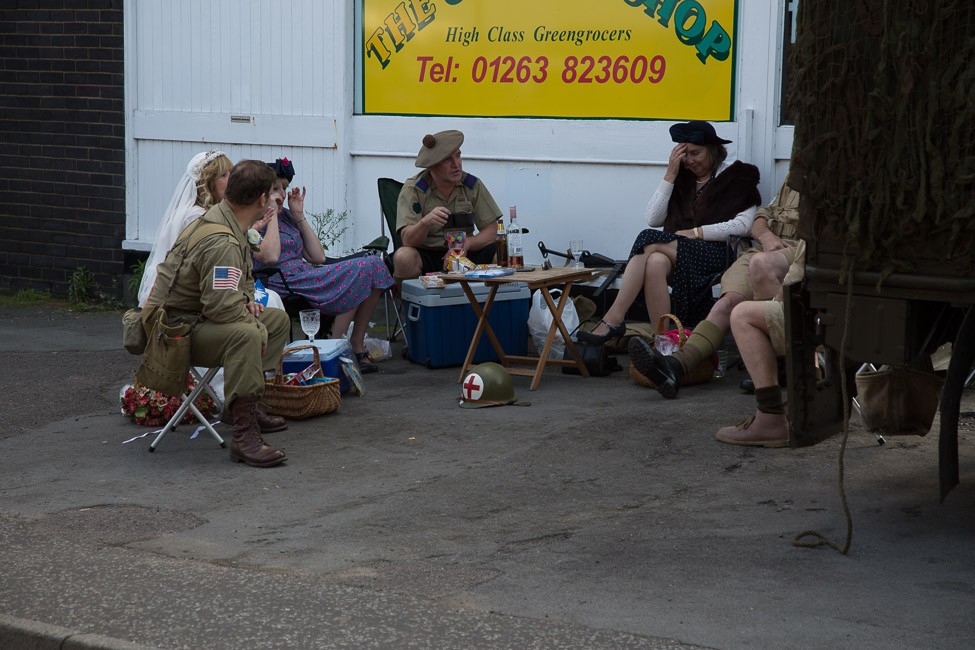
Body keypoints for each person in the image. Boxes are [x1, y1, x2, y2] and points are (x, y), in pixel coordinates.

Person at [144, 160, 290, 468]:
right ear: (262, 199)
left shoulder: (229, 221)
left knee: (276, 321)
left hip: (200, 319)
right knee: (248, 334)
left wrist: (248, 301)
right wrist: (254, 325)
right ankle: (244, 438)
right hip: (177, 333)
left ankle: (241, 407)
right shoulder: (222, 240)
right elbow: (221, 308)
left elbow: (242, 279)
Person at [577, 121, 762, 347]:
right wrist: (670, 174)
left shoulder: (736, 177)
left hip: (719, 255)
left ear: (713, 150)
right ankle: (663, 341)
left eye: (696, 153)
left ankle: (613, 318)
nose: (690, 160)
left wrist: (697, 233)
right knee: (655, 261)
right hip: (682, 253)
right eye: (685, 154)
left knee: (647, 239)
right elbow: (653, 218)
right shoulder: (683, 178)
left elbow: (744, 226)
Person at [629, 176, 803, 399]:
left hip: (800, 249)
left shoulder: (831, 184)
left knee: (761, 264)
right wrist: (765, 235)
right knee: (727, 303)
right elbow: (764, 214)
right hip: (766, 247)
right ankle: (677, 366)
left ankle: (774, 367)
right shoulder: (794, 177)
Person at [253, 158, 394, 373]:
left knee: (374, 265)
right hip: (280, 280)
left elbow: (317, 257)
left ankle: (354, 342)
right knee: (361, 269)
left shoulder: (288, 217)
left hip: (304, 274)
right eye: (275, 190)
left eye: (284, 189)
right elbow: (269, 258)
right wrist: (271, 215)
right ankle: (338, 349)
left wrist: (299, 216)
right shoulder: (256, 222)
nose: (281, 195)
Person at [138, 150, 286, 312]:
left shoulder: (224, 214)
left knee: (272, 300)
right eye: (223, 175)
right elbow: (209, 271)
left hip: (219, 287)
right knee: (270, 302)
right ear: (207, 182)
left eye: (231, 173)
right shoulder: (197, 217)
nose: (230, 180)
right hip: (196, 296)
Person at [393, 130, 501, 278]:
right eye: (447, 160)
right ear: (431, 166)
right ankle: (408, 294)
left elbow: (492, 230)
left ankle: (492, 294)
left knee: (502, 254)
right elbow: (407, 240)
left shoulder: (472, 185)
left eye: (458, 155)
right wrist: (425, 223)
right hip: (428, 254)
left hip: (464, 253)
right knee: (404, 257)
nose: (456, 164)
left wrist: (466, 244)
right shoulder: (414, 190)